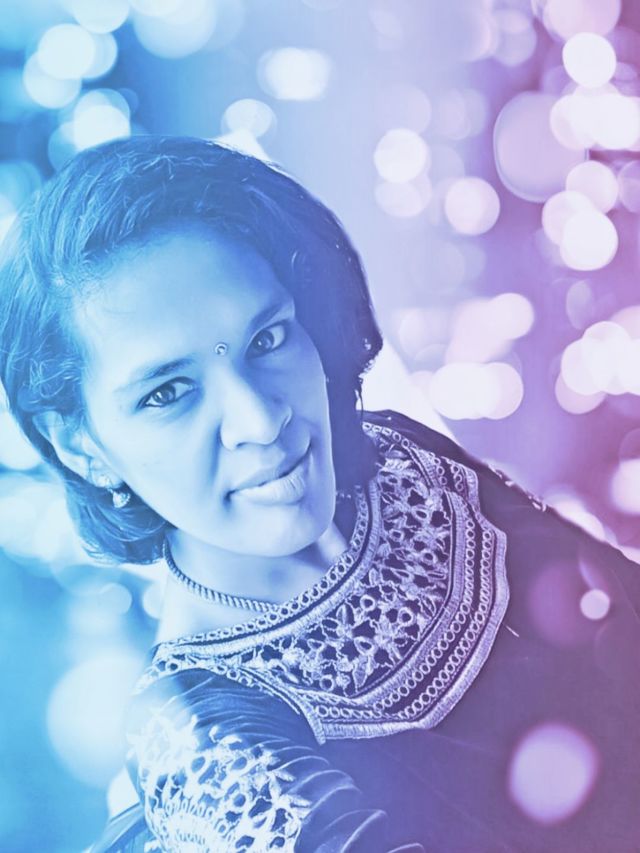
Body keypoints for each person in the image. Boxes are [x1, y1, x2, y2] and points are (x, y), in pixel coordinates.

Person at [1, 135, 639, 852]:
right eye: (168, 392)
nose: (261, 419)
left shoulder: (399, 455)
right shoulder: (197, 739)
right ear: (78, 446)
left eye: (267, 340)